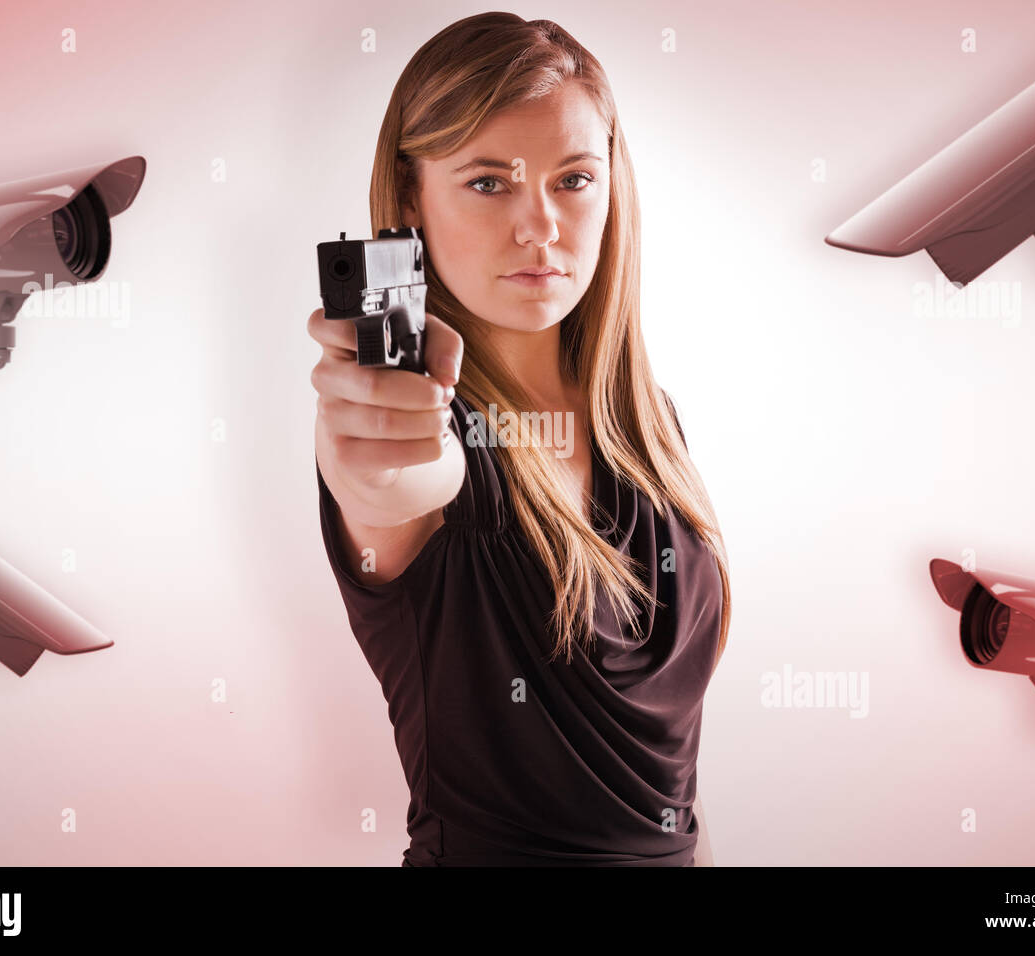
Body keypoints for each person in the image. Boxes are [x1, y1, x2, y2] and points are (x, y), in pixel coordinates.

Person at [309, 11, 731, 866]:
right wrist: (375, 446)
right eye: (488, 183)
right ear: (411, 202)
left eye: (573, 179)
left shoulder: (648, 419)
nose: (539, 225)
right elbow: (398, 479)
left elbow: (675, 792)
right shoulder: (428, 431)